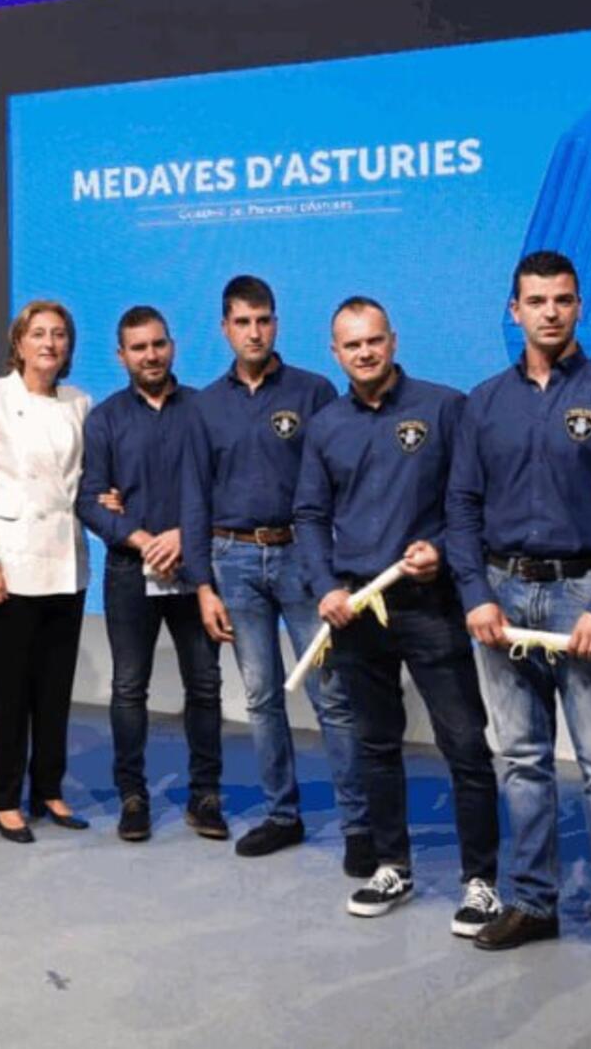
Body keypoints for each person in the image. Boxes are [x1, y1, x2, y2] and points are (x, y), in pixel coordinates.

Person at [448, 251, 591, 971]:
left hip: (582, 596)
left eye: (562, 299)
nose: (550, 312)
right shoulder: (485, 402)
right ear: (515, 310)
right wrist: (473, 592)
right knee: (522, 761)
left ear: (579, 306)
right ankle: (533, 903)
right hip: (502, 594)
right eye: (536, 300)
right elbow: (461, 506)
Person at [294, 296, 500, 936]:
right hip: (357, 609)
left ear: (393, 340)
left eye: (374, 340)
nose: (365, 353)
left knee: (463, 743)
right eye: (352, 345)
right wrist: (325, 585)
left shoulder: (444, 407)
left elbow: (472, 500)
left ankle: (482, 882)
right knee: (375, 743)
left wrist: (440, 549)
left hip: (429, 604)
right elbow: (307, 516)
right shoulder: (326, 425)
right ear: (335, 352)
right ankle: (392, 866)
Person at [181, 275, 366, 863]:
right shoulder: (205, 405)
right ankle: (282, 814)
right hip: (232, 561)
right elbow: (193, 498)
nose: (254, 332)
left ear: (277, 324)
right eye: (242, 322)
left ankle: (361, 825)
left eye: (263, 320)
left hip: (302, 560)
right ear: (225, 328)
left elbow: (345, 477)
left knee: (329, 694)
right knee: (261, 696)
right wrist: (203, 585)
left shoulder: (313, 392)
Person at [77, 306, 226, 843]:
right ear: (121, 356)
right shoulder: (106, 419)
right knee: (128, 687)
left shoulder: (204, 411)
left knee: (205, 687)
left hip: (195, 569)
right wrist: (141, 538)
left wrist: (184, 537)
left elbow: (220, 488)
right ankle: (133, 797)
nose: (150, 355)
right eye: (138, 348)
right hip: (129, 571)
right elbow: (90, 502)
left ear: (173, 346)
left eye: (158, 344)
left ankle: (205, 796)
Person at [0, 299, 91, 844]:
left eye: (59, 334)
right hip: (8, 564)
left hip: (66, 561)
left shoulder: (81, 402)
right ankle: (5, 798)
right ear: (18, 343)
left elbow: (89, 478)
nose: (49, 343)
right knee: (6, 690)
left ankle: (50, 790)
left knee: (55, 686)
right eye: (38, 333)